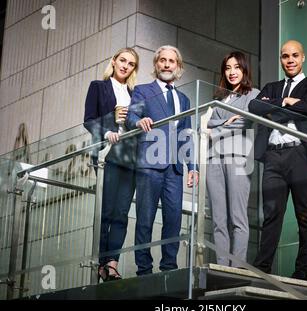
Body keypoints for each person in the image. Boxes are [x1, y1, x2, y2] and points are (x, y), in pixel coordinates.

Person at [249, 40, 307, 281]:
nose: (290, 60)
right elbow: (254, 106)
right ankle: (262, 268)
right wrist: (288, 103)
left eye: (294, 55)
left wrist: (274, 107)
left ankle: (303, 272)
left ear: (303, 58)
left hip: (300, 154)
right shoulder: (272, 86)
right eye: (285, 56)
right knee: (271, 214)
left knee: (305, 214)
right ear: (281, 59)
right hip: (273, 155)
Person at [126, 45, 198, 276]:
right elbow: (131, 116)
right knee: (145, 218)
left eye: (172, 61)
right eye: (162, 60)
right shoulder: (142, 90)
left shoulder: (184, 99)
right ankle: (144, 269)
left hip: (175, 169)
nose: (167, 64)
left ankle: (169, 267)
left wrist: (192, 167)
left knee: (174, 219)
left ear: (178, 67)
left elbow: (187, 134)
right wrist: (138, 121)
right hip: (150, 163)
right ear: (156, 64)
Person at [84, 47, 139, 281]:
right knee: (106, 211)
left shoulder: (136, 93)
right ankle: (101, 261)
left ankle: (113, 263)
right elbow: (88, 121)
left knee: (122, 213)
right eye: (122, 61)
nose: (125, 66)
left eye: (131, 64)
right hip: (107, 155)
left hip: (130, 157)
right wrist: (108, 130)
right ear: (114, 61)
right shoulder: (98, 87)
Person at [206, 51, 259, 267]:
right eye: (228, 68)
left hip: (239, 157)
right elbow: (206, 124)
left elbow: (244, 123)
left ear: (244, 69)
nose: (232, 72)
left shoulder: (253, 94)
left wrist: (216, 129)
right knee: (219, 220)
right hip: (213, 159)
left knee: (238, 218)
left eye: (236, 67)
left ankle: (237, 268)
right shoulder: (218, 99)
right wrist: (223, 124)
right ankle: (221, 265)